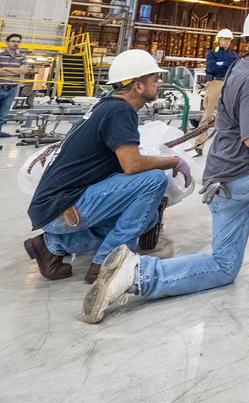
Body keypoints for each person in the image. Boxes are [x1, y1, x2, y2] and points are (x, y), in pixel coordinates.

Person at [81, 3, 249, 324]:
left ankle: (137, 274)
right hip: (246, 173)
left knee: (223, 266)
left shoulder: (243, 66)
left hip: (223, 180)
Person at [24, 50, 190, 284]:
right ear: (139, 86)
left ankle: (51, 245)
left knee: (149, 218)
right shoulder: (120, 111)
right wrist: (174, 160)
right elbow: (132, 165)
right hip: (62, 208)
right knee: (154, 180)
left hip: (55, 208)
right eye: (155, 79)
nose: (159, 83)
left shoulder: (107, 107)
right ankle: (107, 263)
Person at [194, 29, 237, 154]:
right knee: (208, 114)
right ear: (219, 40)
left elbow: (233, 66)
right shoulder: (212, 53)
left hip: (229, 83)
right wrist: (225, 64)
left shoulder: (233, 55)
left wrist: (221, 64)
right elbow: (211, 67)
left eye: (229, 40)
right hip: (215, 84)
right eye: (225, 39)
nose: (227, 42)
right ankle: (199, 143)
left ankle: (224, 146)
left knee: (227, 115)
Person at [0, 31, 28, 137]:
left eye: (18, 41)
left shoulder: (22, 57)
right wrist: (16, 70)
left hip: (12, 89)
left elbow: (24, 71)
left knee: (3, 115)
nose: (16, 43)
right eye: (13, 41)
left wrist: (6, 68)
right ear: (7, 42)